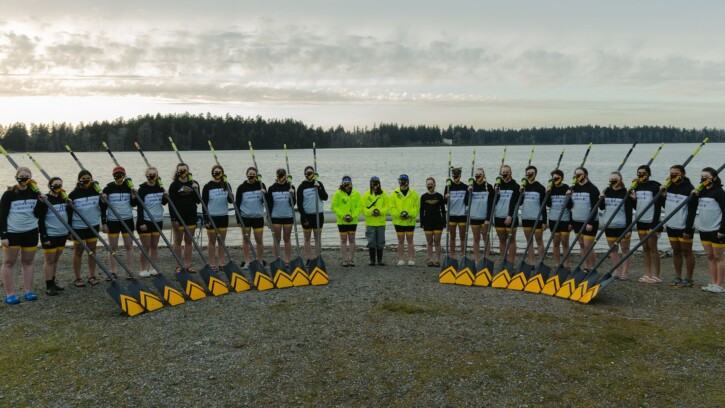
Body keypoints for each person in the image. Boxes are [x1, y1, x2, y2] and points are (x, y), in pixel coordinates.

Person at [1, 167, 40, 304]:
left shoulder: (35, 193)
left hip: (31, 231)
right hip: (12, 232)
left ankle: (28, 291)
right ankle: (10, 294)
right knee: (9, 262)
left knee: (28, 262)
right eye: (21, 176)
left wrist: (42, 201)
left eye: (27, 176)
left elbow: (38, 213)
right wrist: (3, 235)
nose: (24, 179)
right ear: (16, 177)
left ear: (30, 178)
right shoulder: (9, 194)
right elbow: (2, 215)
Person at [662, 165, 698, 288]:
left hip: (684, 226)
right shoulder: (669, 186)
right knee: (676, 251)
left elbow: (692, 211)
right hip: (671, 224)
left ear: (682, 174)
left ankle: (689, 278)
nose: (672, 175)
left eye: (675, 173)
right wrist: (663, 195)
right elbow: (665, 205)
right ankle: (677, 276)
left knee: (687, 252)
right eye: (671, 173)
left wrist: (688, 229)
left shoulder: (689, 188)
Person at [100, 166, 137, 278]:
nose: (118, 176)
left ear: (124, 175)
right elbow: (103, 207)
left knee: (129, 245)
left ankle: (129, 271)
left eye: (120, 174)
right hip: (113, 221)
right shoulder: (108, 188)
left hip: (127, 220)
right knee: (112, 246)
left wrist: (134, 195)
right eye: (116, 174)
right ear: (113, 175)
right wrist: (104, 222)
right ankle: (113, 271)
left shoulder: (128, 187)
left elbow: (134, 204)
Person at [34, 177, 68, 295]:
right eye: (55, 185)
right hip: (50, 234)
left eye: (60, 184)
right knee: (49, 260)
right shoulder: (45, 200)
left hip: (62, 233)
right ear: (49, 186)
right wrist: (44, 236)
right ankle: (49, 286)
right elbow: (39, 217)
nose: (58, 187)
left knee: (56, 260)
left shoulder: (63, 199)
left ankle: (53, 282)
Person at [68, 170, 102, 286]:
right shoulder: (73, 194)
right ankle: (78, 278)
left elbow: (103, 206)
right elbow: (68, 213)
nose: (86, 180)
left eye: (88, 178)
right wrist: (69, 230)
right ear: (79, 180)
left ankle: (91, 275)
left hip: (93, 225)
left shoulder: (96, 191)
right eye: (83, 178)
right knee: (79, 251)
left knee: (92, 251)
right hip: (78, 226)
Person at [631, 165, 663, 283]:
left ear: (648, 174)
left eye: (643, 173)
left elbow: (658, 207)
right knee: (645, 248)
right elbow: (637, 206)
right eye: (639, 173)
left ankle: (657, 275)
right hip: (641, 221)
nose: (640, 175)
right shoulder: (637, 186)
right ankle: (647, 273)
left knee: (653, 248)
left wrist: (653, 226)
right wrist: (633, 199)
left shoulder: (654, 186)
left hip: (652, 221)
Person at [696, 167, 725, 293]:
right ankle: (713, 283)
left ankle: (720, 284)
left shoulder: (719, 192)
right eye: (702, 176)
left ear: (714, 178)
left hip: (716, 229)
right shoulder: (701, 191)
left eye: (706, 177)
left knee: (719, 256)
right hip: (704, 229)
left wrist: (722, 230)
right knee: (710, 256)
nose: (703, 179)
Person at [599, 171, 633, 280]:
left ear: (620, 180)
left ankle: (625, 272)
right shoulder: (607, 191)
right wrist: (601, 197)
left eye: (615, 179)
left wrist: (629, 229)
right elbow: (602, 207)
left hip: (622, 226)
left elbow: (629, 212)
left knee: (625, 249)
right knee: (613, 250)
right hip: (609, 226)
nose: (613, 181)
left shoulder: (625, 192)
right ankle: (616, 271)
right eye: (611, 179)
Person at [168, 163, 200, 272]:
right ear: (177, 172)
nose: (182, 172)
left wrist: (196, 190)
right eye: (180, 170)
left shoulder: (193, 183)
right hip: (178, 218)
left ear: (188, 170)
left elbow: (198, 201)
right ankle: (179, 265)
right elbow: (170, 203)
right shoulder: (174, 185)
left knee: (189, 241)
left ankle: (187, 264)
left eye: (184, 170)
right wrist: (173, 219)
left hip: (191, 216)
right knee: (177, 241)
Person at [136, 167, 167, 277]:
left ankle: (152, 268)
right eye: (150, 174)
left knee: (154, 245)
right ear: (146, 175)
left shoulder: (160, 187)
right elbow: (139, 208)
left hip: (158, 220)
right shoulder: (142, 189)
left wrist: (166, 195)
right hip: (145, 221)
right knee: (146, 246)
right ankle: (143, 269)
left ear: (157, 175)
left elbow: (163, 202)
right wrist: (141, 222)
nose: (152, 176)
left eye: (154, 174)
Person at [568, 167, 599, 271]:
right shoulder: (573, 188)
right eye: (576, 174)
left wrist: (590, 222)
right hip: (576, 221)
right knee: (581, 244)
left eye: (580, 174)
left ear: (586, 175)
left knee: (588, 246)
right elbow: (569, 206)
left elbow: (595, 207)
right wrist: (568, 196)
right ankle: (586, 266)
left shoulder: (592, 188)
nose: (577, 176)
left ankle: (592, 267)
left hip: (590, 222)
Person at [203, 164, 233, 271]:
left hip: (223, 216)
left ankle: (221, 263)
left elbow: (230, 201)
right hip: (212, 217)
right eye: (215, 172)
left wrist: (231, 195)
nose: (217, 174)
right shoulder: (208, 186)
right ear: (212, 173)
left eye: (219, 172)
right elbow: (204, 203)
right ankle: (212, 263)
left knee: (221, 241)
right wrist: (206, 219)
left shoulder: (226, 185)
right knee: (212, 241)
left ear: (222, 173)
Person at [236, 166, 267, 267]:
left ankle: (260, 260)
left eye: (254, 174)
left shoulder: (261, 186)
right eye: (250, 174)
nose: (252, 176)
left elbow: (266, 202)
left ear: (256, 176)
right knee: (246, 240)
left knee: (259, 240)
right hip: (245, 217)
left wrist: (264, 195)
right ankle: (246, 261)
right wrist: (238, 219)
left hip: (258, 217)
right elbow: (237, 204)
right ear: (247, 175)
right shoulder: (241, 187)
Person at [297, 166, 328, 264]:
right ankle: (308, 259)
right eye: (308, 173)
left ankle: (317, 257)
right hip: (307, 215)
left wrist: (318, 187)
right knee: (307, 238)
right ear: (305, 174)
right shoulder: (301, 186)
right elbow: (299, 203)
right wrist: (304, 216)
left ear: (314, 174)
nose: (310, 174)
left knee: (317, 237)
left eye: (311, 172)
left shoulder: (318, 183)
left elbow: (325, 197)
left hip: (318, 215)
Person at [266, 168, 296, 265]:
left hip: (288, 216)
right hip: (275, 217)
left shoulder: (291, 187)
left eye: (283, 175)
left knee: (287, 239)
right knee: (276, 240)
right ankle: (277, 259)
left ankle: (287, 260)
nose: (281, 177)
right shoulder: (272, 188)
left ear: (286, 176)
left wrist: (292, 195)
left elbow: (293, 204)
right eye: (280, 175)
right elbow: (269, 205)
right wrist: (268, 217)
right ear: (277, 176)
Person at [331, 176, 361, 266]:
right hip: (342, 221)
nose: (346, 186)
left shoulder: (356, 193)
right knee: (343, 240)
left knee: (352, 239)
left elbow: (359, 207)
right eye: (345, 184)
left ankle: (351, 259)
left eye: (348, 184)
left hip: (352, 220)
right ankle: (344, 259)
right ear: (342, 183)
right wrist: (342, 215)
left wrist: (353, 216)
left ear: (351, 183)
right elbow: (333, 206)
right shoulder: (338, 193)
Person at [390, 174, 419, 266]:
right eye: (401, 180)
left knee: (410, 240)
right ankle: (401, 259)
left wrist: (409, 214)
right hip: (398, 221)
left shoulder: (414, 194)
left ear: (407, 181)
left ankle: (411, 259)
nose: (402, 182)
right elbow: (391, 208)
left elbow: (417, 207)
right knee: (400, 240)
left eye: (404, 180)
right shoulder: (394, 193)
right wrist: (399, 215)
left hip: (410, 221)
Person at [520, 165, 547, 264]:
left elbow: (543, 206)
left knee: (539, 240)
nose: (530, 175)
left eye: (532, 173)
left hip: (537, 218)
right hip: (526, 217)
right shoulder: (523, 186)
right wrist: (521, 193)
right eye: (528, 173)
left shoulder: (540, 187)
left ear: (535, 174)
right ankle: (532, 261)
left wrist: (544, 221)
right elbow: (519, 203)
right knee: (529, 241)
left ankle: (541, 262)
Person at [493, 165, 520, 263]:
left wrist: (510, 216)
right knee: (502, 240)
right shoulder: (498, 185)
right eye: (503, 172)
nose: (505, 174)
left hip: (511, 216)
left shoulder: (516, 186)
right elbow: (494, 201)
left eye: (506, 172)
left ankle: (511, 261)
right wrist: (495, 192)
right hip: (498, 216)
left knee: (511, 240)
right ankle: (503, 260)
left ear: (510, 172)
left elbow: (515, 202)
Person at [468, 169, 494, 264]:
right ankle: (476, 259)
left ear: (483, 175)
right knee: (476, 238)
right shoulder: (472, 186)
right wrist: (468, 191)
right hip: (474, 217)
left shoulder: (489, 187)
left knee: (485, 238)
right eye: (476, 174)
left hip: (484, 218)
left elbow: (491, 204)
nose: (478, 176)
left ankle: (486, 258)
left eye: (480, 174)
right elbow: (466, 202)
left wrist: (488, 218)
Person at [546, 169, 571, 268]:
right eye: (554, 178)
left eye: (557, 178)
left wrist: (569, 196)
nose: (555, 180)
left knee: (565, 243)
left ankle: (566, 265)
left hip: (565, 219)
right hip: (553, 219)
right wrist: (547, 194)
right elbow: (548, 204)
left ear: (562, 178)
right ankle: (556, 264)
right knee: (555, 242)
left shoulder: (567, 188)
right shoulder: (550, 188)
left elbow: (570, 206)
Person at [362, 176, 388, 266]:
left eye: (376, 183)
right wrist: (370, 212)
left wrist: (380, 212)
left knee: (381, 242)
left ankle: (380, 260)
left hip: (381, 222)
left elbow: (387, 207)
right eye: (373, 183)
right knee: (371, 242)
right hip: (370, 222)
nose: (375, 185)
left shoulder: (384, 194)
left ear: (379, 183)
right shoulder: (366, 195)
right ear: (370, 184)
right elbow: (363, 208)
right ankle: (372, 260)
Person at [419, 177, 445, 267]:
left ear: (434, 184)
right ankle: (430, 260)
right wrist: (421, 222)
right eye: (428, 184)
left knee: (437, 242)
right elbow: (421, 210)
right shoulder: (423, 197)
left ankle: (437, 260)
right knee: (429, 242)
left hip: (438, 221)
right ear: (426, 185)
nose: (430, 185)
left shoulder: (439, 196)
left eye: (431, 184)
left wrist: (444, 221)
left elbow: (443, 209)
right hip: (427, 222)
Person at [444, 166, 468, 259]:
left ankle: (463, 254)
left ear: (460, 175)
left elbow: (467, 201)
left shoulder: (465, 186)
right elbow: (445, 202)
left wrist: (469, 192)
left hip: (462, 214)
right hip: (451, 215)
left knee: (462, 236)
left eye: (457, 174)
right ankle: (452, 255)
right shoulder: (448, 187)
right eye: (454, 175)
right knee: (452, 236)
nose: (456, 176)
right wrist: (446, 197)